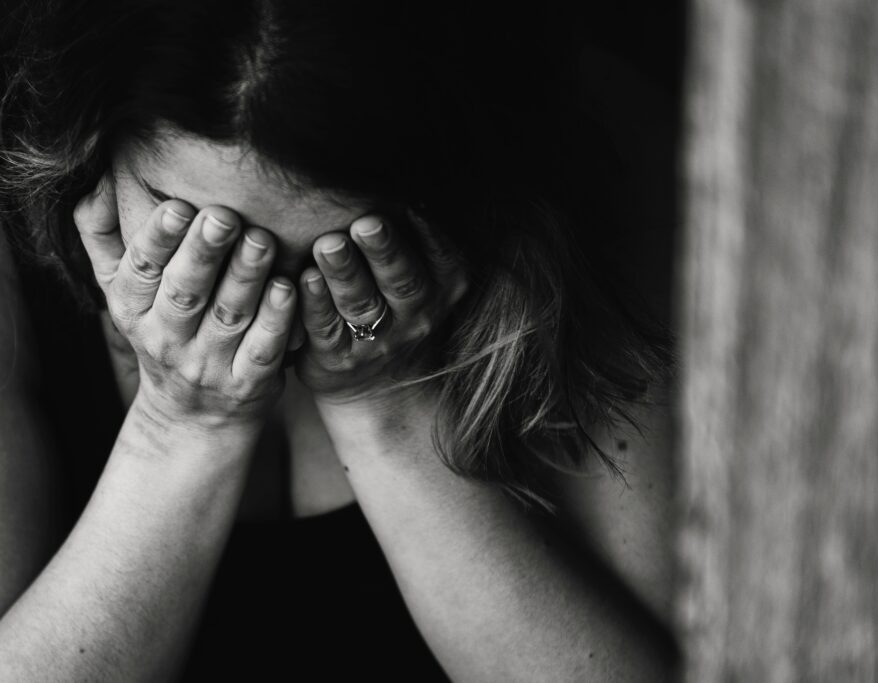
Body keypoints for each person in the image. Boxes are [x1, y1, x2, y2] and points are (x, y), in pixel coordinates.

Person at [0, 0, 677, 679]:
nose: (265, 303)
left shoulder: (603, 164)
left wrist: (385, 407)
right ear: (90, 143)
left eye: (337, 253)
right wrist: (178, 425)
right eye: (198, 233)